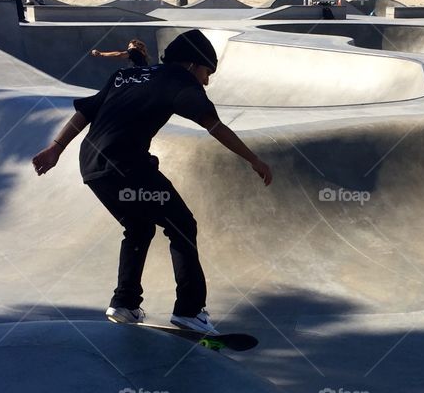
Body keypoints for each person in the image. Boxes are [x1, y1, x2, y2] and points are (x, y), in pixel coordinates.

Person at [31, 29, 273, 333]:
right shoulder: (179, 79)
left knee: (138, 226)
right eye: (207, 73)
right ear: (191, 64)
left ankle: (125, 304)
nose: (207, 82)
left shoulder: (125, 75)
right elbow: (214, 126)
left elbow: (86, 113)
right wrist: (254, 159)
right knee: (182, 225)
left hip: (92, 165)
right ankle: (189, 310)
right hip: (127, 165)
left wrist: (56, 148)